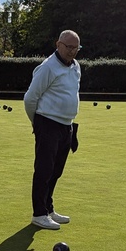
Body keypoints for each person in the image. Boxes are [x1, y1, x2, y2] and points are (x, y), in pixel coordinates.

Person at [23, 30, 81, 231]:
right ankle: (38, 213)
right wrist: (36, 123)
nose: (72, 52)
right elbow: (30, 98)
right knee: (44, 169)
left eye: (76, 48)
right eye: (69, 47)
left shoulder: (76, 67)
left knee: (56, 171)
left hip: (67, 125)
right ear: (58, 44)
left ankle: (48, 208)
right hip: (47, 123)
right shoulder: (47, 67)